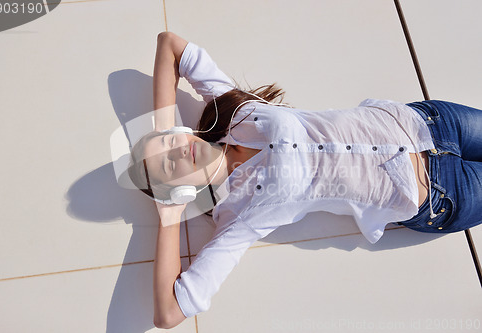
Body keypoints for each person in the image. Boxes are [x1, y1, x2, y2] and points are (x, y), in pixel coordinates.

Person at [127, 31, 482, 329]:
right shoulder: (238, 216)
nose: (177, 152)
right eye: (169, 166)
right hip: (442, 194)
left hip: (432, 123)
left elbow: (169, 44)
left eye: (171, 143)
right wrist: (170, 214)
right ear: (179, 190)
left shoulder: (232, 110)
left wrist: (162, 130)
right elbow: (168, 312)